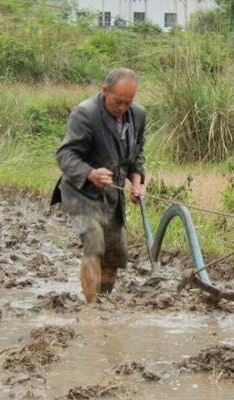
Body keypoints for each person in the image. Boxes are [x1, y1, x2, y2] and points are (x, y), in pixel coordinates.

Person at [51, 68, 146, 303]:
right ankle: (91, 308)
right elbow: (65, 155)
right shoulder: (85, 114)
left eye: (128, 102)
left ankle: (104, 302)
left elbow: (136, 156)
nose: (123, 108)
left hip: (112, 194)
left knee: (115, 255)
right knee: (94, 244)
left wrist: (136, 181)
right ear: (104, 91)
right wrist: (90, 173)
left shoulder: (138, 115)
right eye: (118, 102)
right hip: (82, 192)